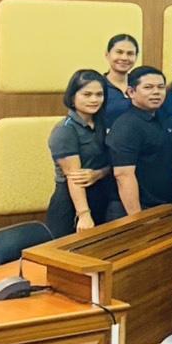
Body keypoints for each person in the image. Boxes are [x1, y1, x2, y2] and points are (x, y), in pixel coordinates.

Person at [45, 69, 116, 236]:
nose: (94, 100)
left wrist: (99, 174)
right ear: (72, 97)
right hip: (72, 203)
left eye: (99, 94)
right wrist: (84, 214)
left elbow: (110, 163)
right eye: (87, 94)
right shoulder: (65, 130)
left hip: (100, 195)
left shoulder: (101, 123)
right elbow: (74, 177)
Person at [106, 65, 172, 218]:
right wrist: (138, 219)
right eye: (148, 87)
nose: (156, 92)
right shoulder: (127, 126)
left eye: (161, 87)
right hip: (134, 209)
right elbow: (123, 175)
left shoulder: (162, 118)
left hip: (163, 206)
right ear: (131, 92)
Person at [101, 33, 138, 127]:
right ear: (107, 54)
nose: (124, 58)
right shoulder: (98, 86)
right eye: (119, 52)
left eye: (130, 53)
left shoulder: (140, 84)